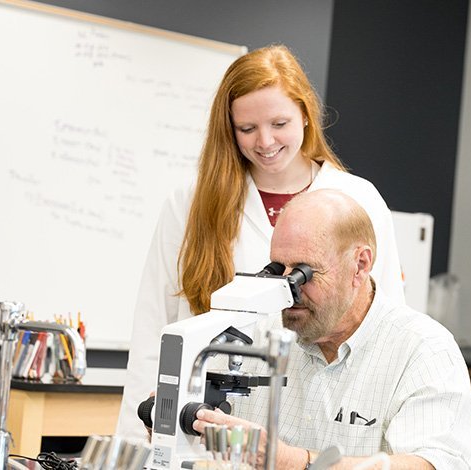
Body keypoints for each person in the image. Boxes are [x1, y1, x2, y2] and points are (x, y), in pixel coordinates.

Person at [116, 45, 405, 440]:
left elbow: (388, 328)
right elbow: (155, 328)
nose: (265, 141)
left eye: (279, 123)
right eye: (247, 129)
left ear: (305, 114)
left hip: (324, 424)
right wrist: (139, 440)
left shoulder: (359, 200)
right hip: (206, 426)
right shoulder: (190, 204)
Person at [193, 189, 471, 469]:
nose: (289, 291)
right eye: (280, 270)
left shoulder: (425, 351)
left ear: (360, 265)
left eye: (305, 273)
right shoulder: (254, 334)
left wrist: (295, 463)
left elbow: (433, 464)